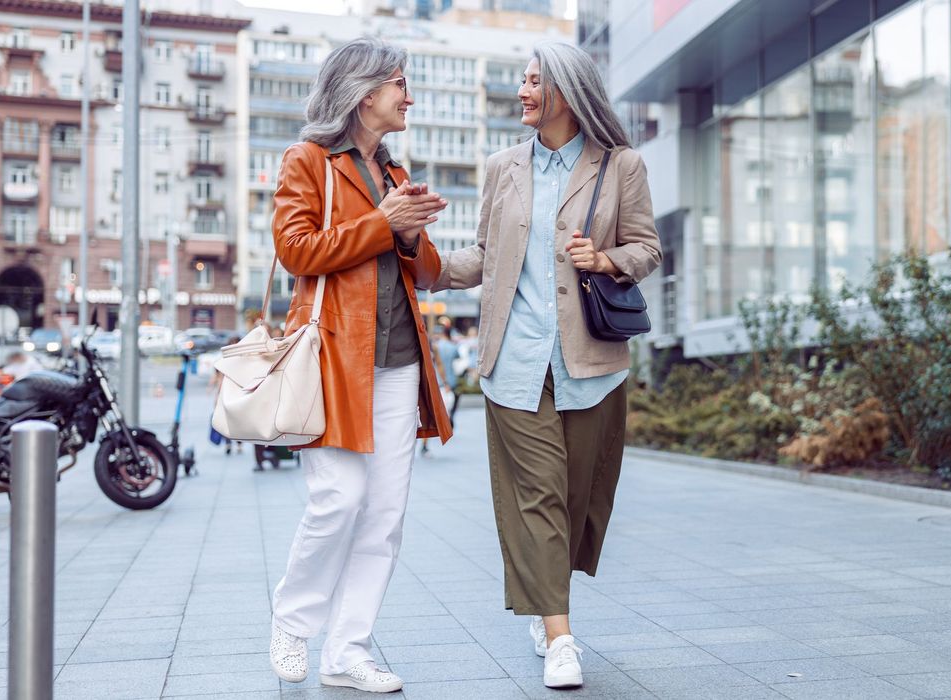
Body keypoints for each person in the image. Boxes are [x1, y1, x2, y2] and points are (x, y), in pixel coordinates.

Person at [432, 42, 661, 689]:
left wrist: (608, 260)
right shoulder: (503, 166)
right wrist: (423, 260)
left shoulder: (620, 166)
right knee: (540, 497)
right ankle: (561, 637)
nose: (523, 92)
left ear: (565, 91)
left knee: (579, 499)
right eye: (524, 81)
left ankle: (545, 602)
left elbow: (646, 246)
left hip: (591, 363)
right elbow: (481, 254)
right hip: (515, 361)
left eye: (533, 82)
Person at [266, 37, 452, 694]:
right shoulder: (307, 161)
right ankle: (293, 619)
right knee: (338, 500)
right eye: (400, 82)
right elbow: (296, 250)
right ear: (362, 90)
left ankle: (348, 649)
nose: (409, 95)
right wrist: (382, 222)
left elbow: (423, 271)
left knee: (384, 513)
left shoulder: (397, 175)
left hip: (399, 362)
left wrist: (407, 231)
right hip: (332, 361)